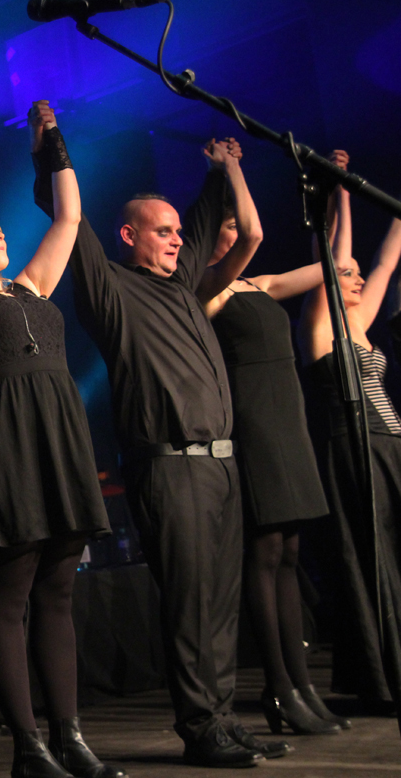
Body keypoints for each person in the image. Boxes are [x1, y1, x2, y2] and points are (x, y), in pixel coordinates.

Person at [46, 132, 289, 767]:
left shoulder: (183, 285)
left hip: (221, 464)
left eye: (178, 232)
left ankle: (223, 716)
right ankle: (200, 725)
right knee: (190, 601)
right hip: (170, 466)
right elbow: (72, 222)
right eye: (162, 231)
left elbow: (211, 220)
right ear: (129, 237)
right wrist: (54, 147)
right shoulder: (109, 289)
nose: (178, 240)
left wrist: (219, 170)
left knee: (222, 600)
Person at [0, 99, 121, 778]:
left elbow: (68, 215)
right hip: (13, 444)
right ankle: (27, 745)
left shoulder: (31, 286)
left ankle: (68, 737)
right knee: (11, 594)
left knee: (58, 592)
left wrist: (53, 142)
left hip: (62, 440)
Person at [199, 150, 345, 736]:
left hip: (288, 423)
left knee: (289, 553)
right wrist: (231, 170)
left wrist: (338, 195)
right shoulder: (210, 290)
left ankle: (302, 685)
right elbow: (254, 233)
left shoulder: (260, 284)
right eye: (227, 226)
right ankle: (279, 689)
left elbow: (336, 264)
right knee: (264, 554)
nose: (237, 233)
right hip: (255, 426)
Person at [299, 159, 401, 712]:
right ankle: (386, 673)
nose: (357, 279)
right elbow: (336, 261)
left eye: (358, 276)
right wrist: (337, 194)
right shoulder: (321, 326)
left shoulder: (361, 323)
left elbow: (386, 260)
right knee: (373, 558)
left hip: (392, 445)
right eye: (348, 275)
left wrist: (385, 205)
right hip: (355, 448)